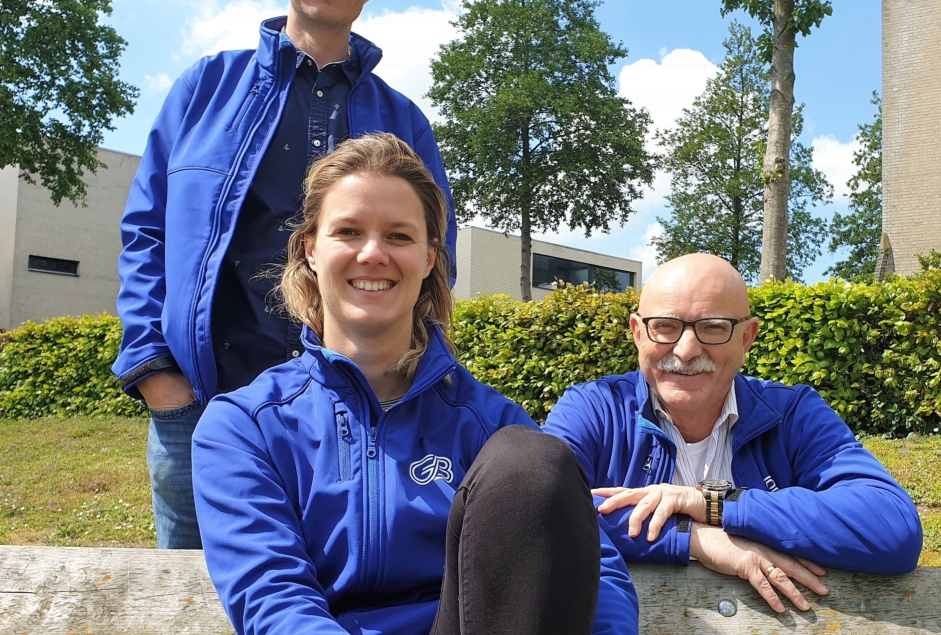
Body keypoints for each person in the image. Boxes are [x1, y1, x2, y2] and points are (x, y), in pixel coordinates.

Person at [112, 0, 455, 549]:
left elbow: (435, 251)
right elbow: (145, 230)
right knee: (190, 599)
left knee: (337, 593)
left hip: (355, 414)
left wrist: (408, 379)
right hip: (199, 407)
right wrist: (157, 372)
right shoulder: (203, 90)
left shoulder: (406, 121)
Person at [191, 133, 637, 635]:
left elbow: (595, 567)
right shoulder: (244, 427)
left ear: (429, 259)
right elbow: (273, 598)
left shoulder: (490, 424)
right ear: (310, 249)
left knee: (534, 463)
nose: (373, 254)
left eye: (399, 236)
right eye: (349, 232)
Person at [544, 253, 923, 614]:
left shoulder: (791, 414)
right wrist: (697, 538)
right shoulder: (593, 409)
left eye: (713, 327)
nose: (687, 349)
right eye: (665, 326)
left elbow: (892, 527)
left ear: (746, 338)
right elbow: (539, 511)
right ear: (638, 333)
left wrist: (716, 504)